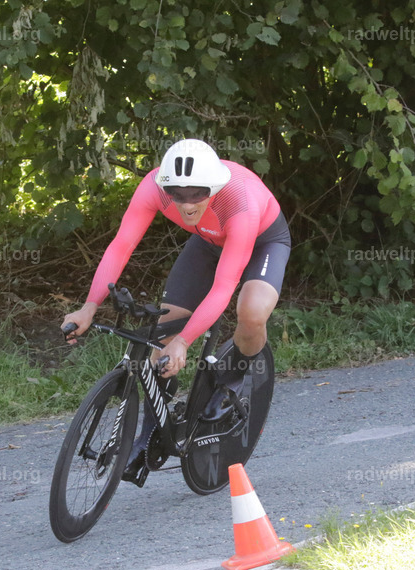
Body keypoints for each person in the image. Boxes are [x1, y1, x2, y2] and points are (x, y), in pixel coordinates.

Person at [61, 138, 290, 485]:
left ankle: (232, 380)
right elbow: (121, 245)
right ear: (164, 185)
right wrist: (88, 307)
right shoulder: (153, 187)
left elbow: (223, 287)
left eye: (197, 193)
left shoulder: (238, 201)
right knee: (161, 328)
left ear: (213, 186)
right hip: (209, 242)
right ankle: (148, 437)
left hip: (261, 242)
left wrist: (185, 341)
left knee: (252, 312)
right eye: (177, 195)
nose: (186, 204)